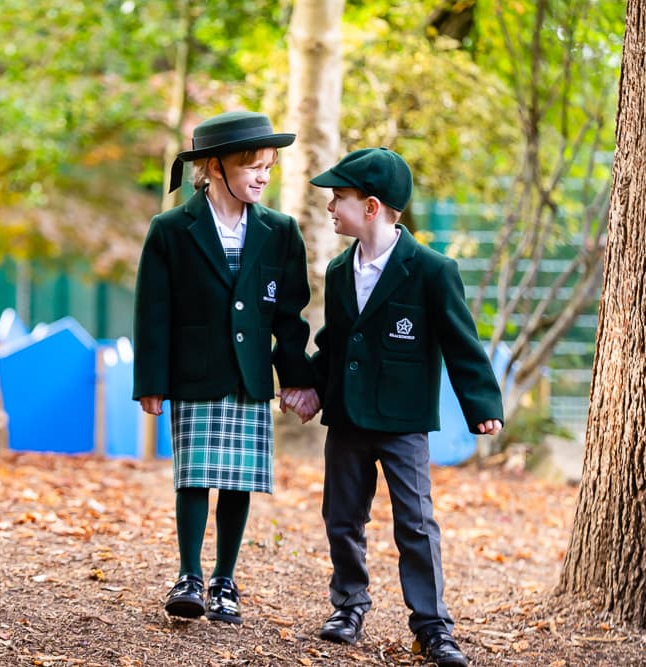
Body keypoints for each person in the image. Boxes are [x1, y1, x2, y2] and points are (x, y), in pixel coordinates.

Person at [304, 147, 503, 667]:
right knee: (342, 517)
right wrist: (312, 389)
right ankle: (348, 605)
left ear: (371, 207)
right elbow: (334, 343)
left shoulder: (432, 270)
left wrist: (480, 402)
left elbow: (462, 342)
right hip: (347, 418)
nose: (330, 206)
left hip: (403, 422)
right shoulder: (338, 269)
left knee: (415, 521)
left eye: (338, 198)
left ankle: (433, 626)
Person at [133, 110, 319, 625]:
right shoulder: (170, 229)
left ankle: (225, 580)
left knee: (238, 479)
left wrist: (297, 378)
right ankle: (189, 576)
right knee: (193, 477)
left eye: (268, 167)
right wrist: (151, 381)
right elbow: (153, 312)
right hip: (195, 373)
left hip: (249, 376)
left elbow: (290, 317)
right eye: (252, 166)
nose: (262, 176)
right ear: (214, 168)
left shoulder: (280, 231)